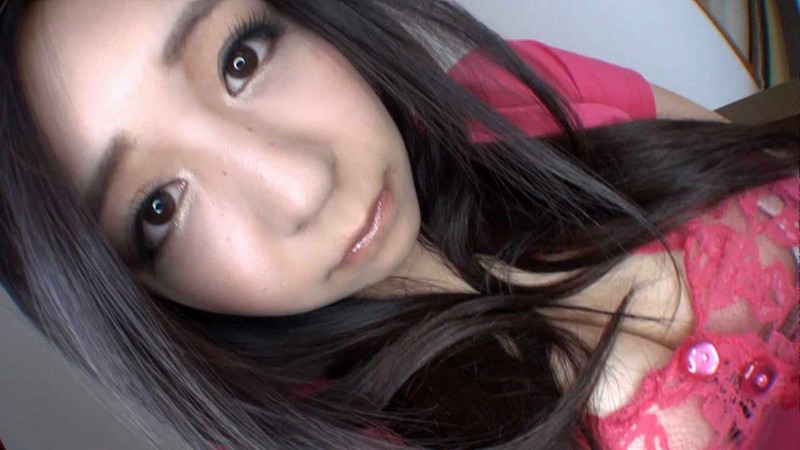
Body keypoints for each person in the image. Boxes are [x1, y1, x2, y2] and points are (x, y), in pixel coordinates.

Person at [1, 0, 797, 449]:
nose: (305, 184)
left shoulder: (508, 95)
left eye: (242, 59)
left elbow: (741, 158)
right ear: (137, 298)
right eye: (159, 207)